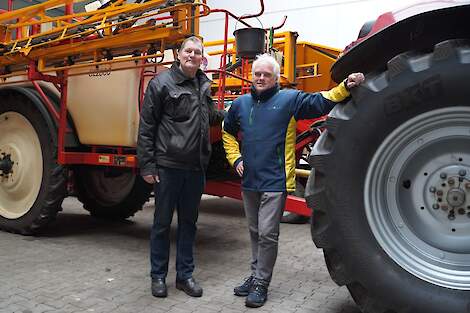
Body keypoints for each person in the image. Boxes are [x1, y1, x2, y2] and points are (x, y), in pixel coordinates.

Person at [222, 53, 364, 308]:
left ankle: (261, 282)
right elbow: (227, 132)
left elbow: (323, 100)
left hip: (275, 181)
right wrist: (236, 160)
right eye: (257, 74)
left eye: (267, 74)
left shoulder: (289, 99)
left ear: (276, 77)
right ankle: (255, 275)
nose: (261, 78)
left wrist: (345, 86)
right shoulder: (241, 104)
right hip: (250, 181)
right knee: (255, 232)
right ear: (251, 76)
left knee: (267, 233)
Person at [137, 36, 224, 298]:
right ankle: (158, 277)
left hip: (195, 167)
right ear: (179, 54)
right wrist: (148, 165)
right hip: (168, 166)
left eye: (197, 52)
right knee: (162, 224)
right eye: (188, 50)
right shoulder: (161, 83)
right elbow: (147, 126)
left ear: (201, 58)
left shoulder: (202, 84)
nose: (192, 55)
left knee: (189, 224)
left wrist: (240, 110)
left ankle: (185, 276)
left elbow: (212, 116)